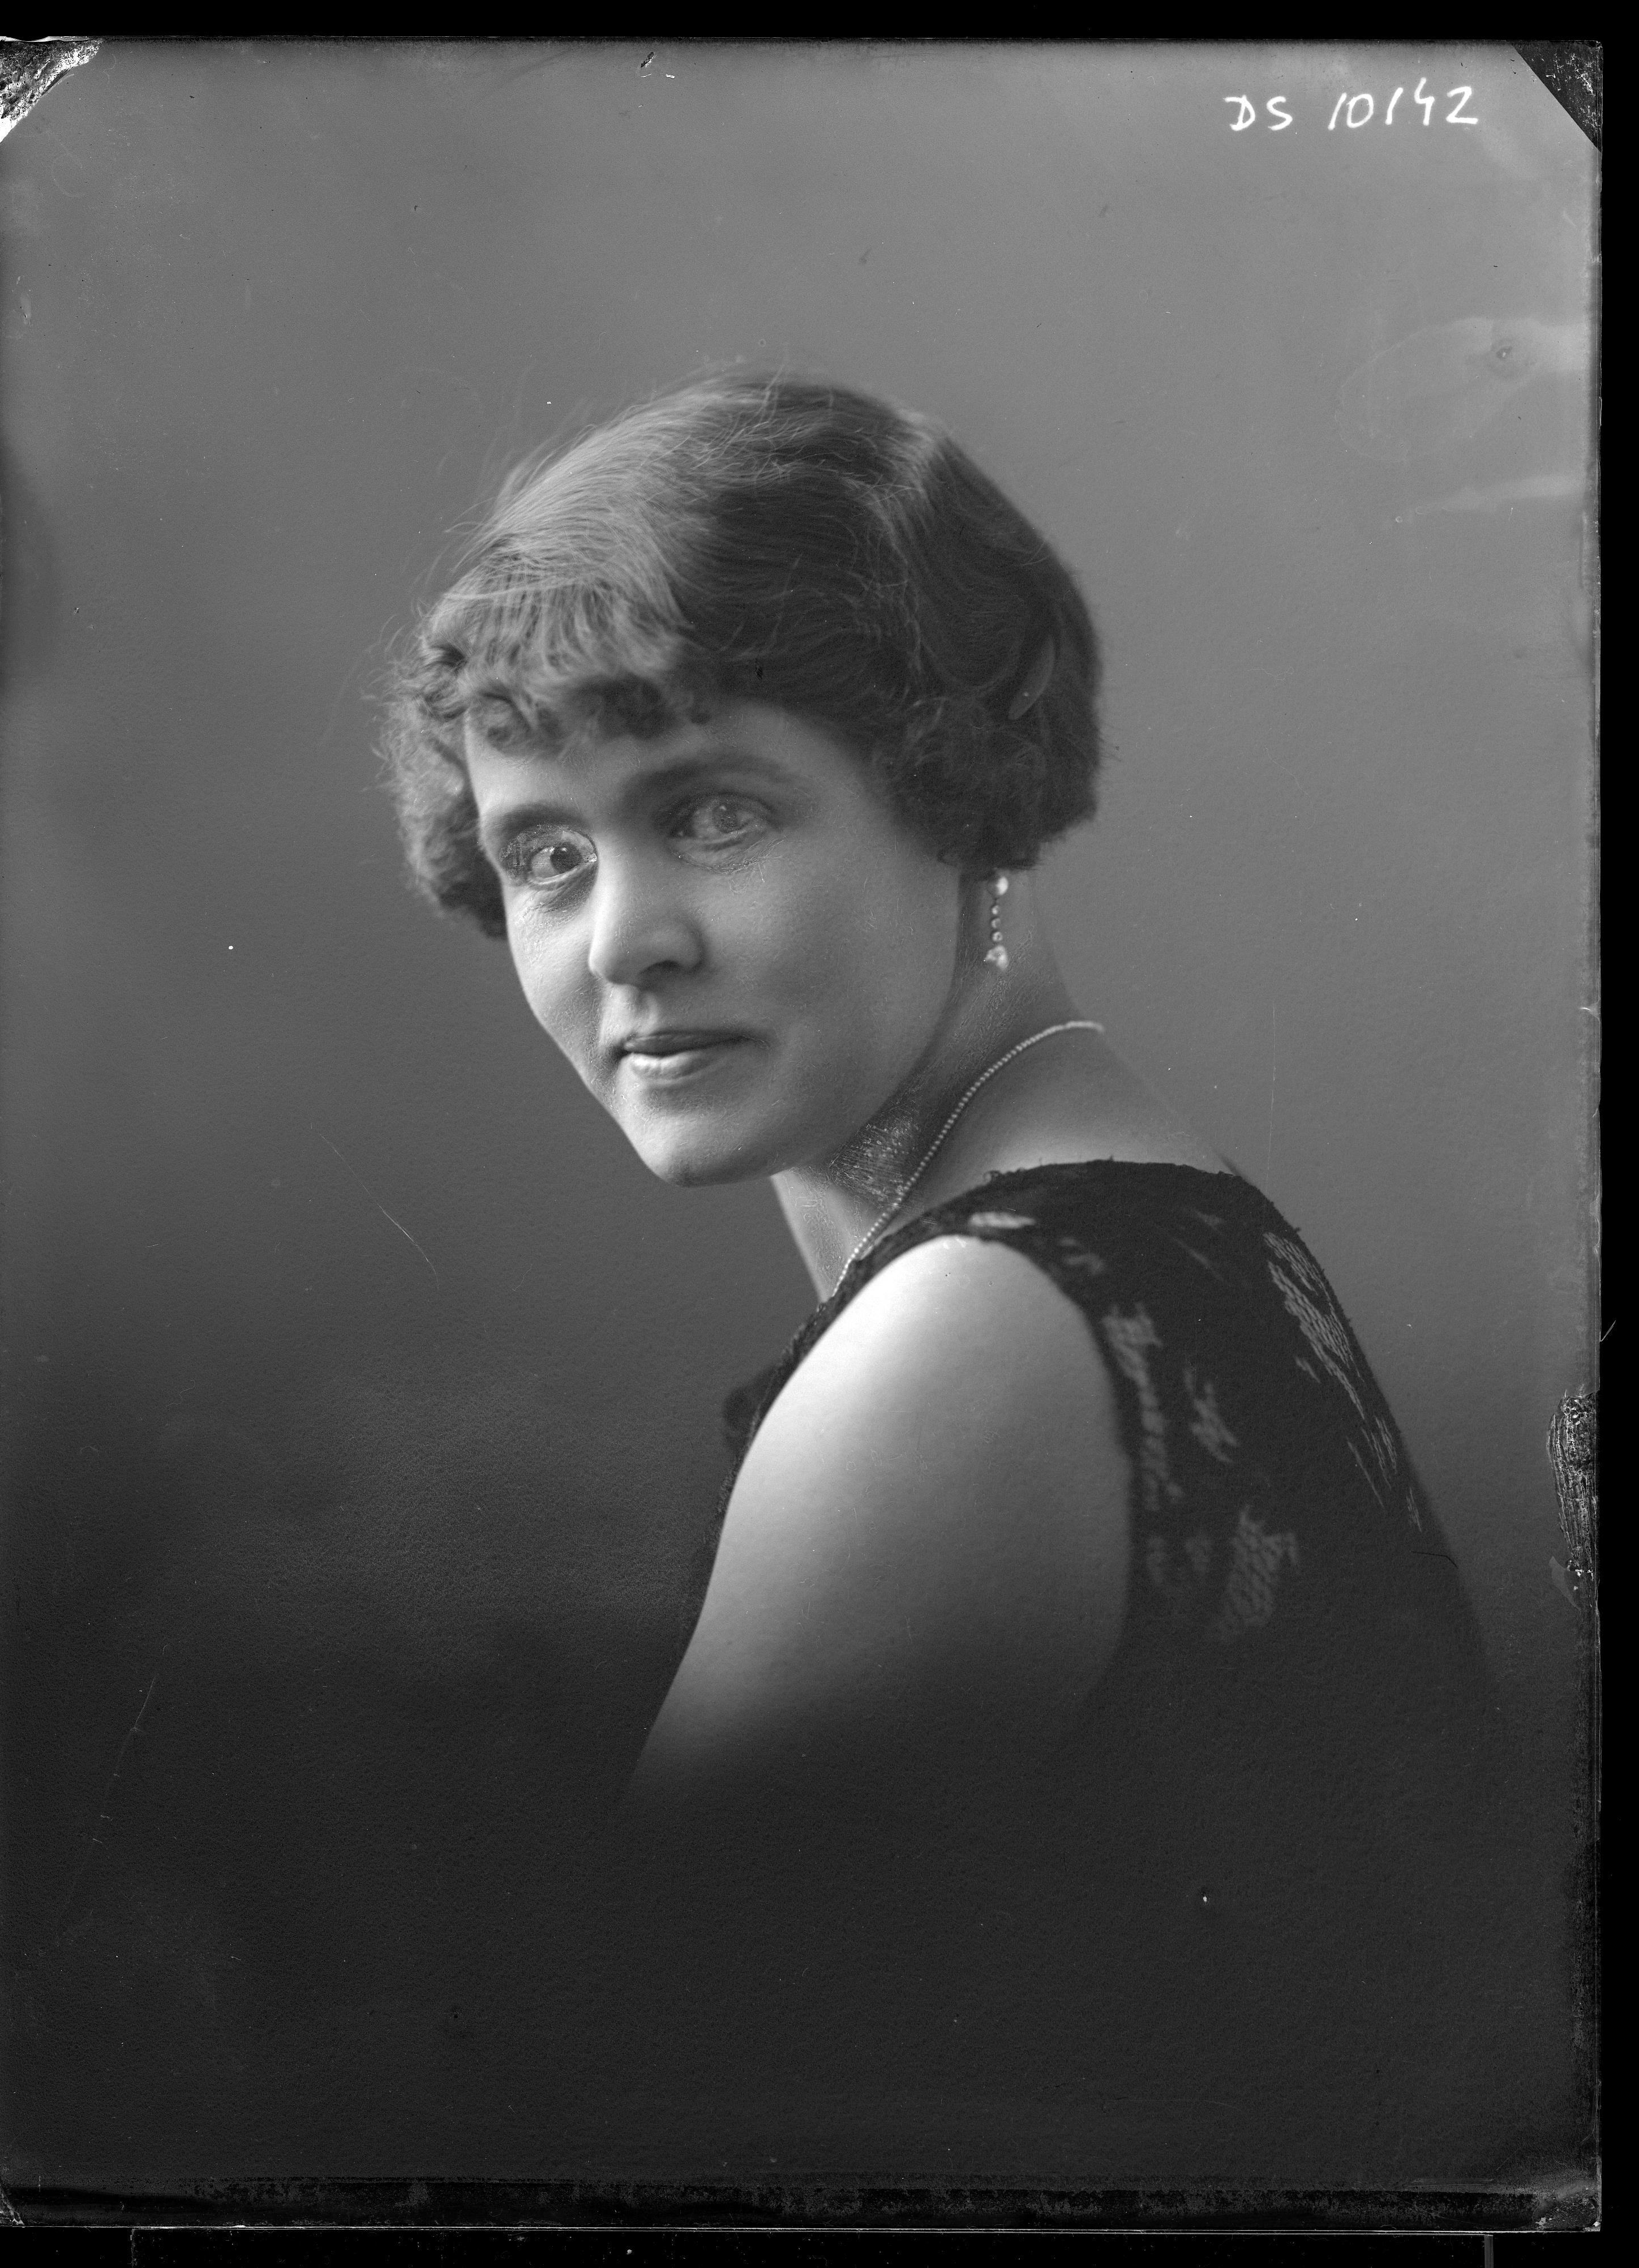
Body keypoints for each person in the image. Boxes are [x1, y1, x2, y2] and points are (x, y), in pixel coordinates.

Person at [382, 372, 1520, 2179]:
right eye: (549, 853)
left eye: (716, 814)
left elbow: (593, 2135)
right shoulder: (1133, 1222)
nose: (623, 943)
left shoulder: (973, 1337)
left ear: (965, 802)